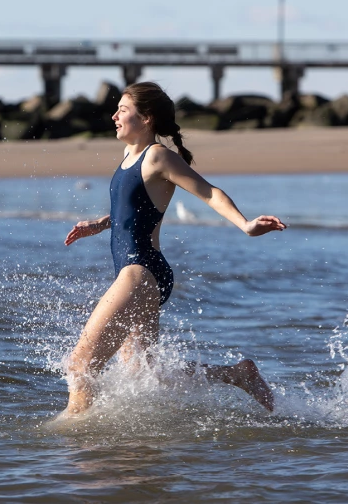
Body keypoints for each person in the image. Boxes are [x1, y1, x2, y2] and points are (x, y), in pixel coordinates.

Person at [62, 81, 286, 417]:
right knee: (144, 374)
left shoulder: (158, 156)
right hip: (142, 273)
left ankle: (69, 437)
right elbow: (133, 208)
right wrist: (100, 224)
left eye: (123, 110)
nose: (114, 116)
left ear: (147, 118)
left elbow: (210, 193)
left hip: (140, 272)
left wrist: (246, 225)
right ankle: (238, 375)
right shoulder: (129, 155)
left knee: (80, 365)